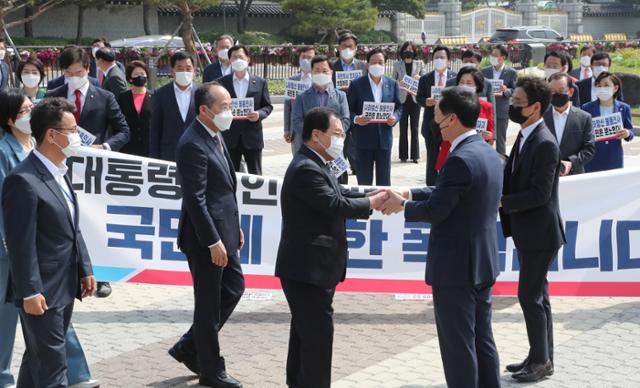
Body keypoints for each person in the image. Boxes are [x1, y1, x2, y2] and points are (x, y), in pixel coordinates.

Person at [378, 86, 503, 388]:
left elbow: (437, 209)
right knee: (481, 338)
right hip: (482, 261)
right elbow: (453, 193)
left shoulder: (460, 158)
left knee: (458, 344)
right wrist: (410, 191)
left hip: (456, 267)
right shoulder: (487, 151)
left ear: (452, 119)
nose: (434, 123)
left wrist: (403, 205)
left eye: (437, 116)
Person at [275, 107, 387, 388]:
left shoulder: (318, 163)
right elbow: (335, 205)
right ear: (316, 135)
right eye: (337, 134)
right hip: (306, 270)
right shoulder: (305, 169)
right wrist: (374, 203)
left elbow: (340, 192)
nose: (341, 139)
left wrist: (374, 193)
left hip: (314, 268)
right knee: (317, 338)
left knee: (305, 333)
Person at [0, 90, 100, 388]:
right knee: (53, 366)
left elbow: (72, 225)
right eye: (72, 131)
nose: (77, 137)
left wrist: (85, 267)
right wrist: (29, 291)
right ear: (52, 135)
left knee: (37, 360)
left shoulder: (60, 171)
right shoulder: (23, 180)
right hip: (41, 290)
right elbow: (20, 243)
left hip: (64, 284)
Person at [170, 82, 244, 388]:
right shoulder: (192, 143)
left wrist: (233, 225)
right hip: (205, 239)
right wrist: (213, 240)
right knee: (209, 304)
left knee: (234, 288)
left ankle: (190, 345)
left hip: (224, 230)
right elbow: (196, 199)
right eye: (223, 107)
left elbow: (223, 187)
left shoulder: (214, 135)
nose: (228, 112)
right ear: (204, 110)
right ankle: (211, 371)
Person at [500, 77, 566, 383]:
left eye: (517, 103)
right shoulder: (525, 135)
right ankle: (540, 355)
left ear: (535, 107)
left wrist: (501, 202)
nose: (512, 106)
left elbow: (539, 195)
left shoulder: (544, 142)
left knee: (529, 296)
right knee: (539, 295)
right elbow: (515, 173)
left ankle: (541, 362)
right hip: (529, 231)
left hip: (541, 233)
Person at [46, 46, 130, 153]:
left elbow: (124, 131)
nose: (74, 77)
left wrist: (103, 147)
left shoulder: (105, 98)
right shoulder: (52, 96)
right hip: (60, 158)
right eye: (69, 73)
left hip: (93, 159)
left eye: (79, 73)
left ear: (88, 69)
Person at [347, 47, 402, 186]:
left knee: (384, 183)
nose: (377, 65)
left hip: (384, 139)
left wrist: (395, 118)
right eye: (373, 62)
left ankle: (383, 208)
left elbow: (399, 107)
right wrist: (356, 119)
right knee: (364, 182)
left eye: (380, 62)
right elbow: (348, 109)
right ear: (367, 64)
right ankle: (365, 208)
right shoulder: (356, 84)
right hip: (363, 140)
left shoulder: (392, 84)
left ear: (385, 64)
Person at [219, 45, 273, 175]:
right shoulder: (222, 83)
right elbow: (216, 106)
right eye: (234, 57)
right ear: (230, 60)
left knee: (256, 175)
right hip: (230, 136)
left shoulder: (260, 82)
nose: (238, 60)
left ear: (248, 59)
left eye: (241, 57)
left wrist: (259, 114)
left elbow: (268, 106)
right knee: (231, 175)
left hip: (252, 137)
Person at [290, 56, 350, 160]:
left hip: (334, 147)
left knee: (335, 176)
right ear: (311, 72)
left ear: (331, 72)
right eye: (317, 71)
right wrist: (312, 136)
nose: (321, 74)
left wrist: (333, 134)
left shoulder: (340, 96)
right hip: (310, 147)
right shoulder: (302, 97)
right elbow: (296, 121)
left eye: (324, 71)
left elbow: (346, 120)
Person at [436, 67, 495, 174]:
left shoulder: (486, 107)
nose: (465, 86)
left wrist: (489, 136)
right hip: (449, 154)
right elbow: (438, 128)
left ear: (477, 86)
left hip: (475, 156)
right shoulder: (448, 106)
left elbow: (491, 133)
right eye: (462, 82)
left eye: (469, 83)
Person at [416, 45, 457, 185]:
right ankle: (430, 188)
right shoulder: (425, 79)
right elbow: (418, 97)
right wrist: (425, 101)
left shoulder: (455, 78)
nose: (439, 60)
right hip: (431, 124)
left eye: (442, 57)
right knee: (432, 158)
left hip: (451, 125)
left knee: (450, 157)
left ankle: (447, 185)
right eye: (436, 57)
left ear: (448, 60)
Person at [543, 72, 595, 175]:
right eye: (552, 91)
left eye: (561, 90)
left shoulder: (584, 118)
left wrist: (571, 162)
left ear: (571, 92)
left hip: (573, 175)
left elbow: (589, 148)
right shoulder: (539, 116)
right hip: (544, 174)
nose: (556, 94)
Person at [149, 51, 197, 161]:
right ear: (172, 71)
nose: (184, 72)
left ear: (194, 71)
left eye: (188, 68)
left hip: (197, 152)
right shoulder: (161, 94)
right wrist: (154, 159)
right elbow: (155, 129)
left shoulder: (203, 92)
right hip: (169, 154)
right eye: (180, 68)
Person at [582, 72, 634, 173]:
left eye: (606, 85)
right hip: (592, 157)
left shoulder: (624, 108)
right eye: (599, 86)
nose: (602, 88)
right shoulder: (586, 107)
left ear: (615, 88)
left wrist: (627, 133)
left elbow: (630, 130)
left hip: (614, 157)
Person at [332, 32, 367, 172]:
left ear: (356, 48)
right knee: (338, 147)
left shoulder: (362, 66)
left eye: (350, 46)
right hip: (337, 112)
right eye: (344, 46)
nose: (347, 49)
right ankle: (341, 179)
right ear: (339, 48)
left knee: (356, 148)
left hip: (357, 111)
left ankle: (358, 170)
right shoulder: (332, 66)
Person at [481, 44, 518, 156]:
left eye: (495, 55)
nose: (493, 57)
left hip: (501, 110)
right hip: (486, 110)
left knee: (500, 141)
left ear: (503, 57)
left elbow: (515, 90)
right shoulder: (484, 71)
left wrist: (506, 91)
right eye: (491, 55)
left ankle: (501, 166)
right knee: (485, 139)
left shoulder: (511, 72)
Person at [392, 41, 425, 163]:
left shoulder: (420, 64)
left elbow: (425, 79)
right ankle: (403, 155)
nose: (409, 51)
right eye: (406, 49)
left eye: (411, 49)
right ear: (402, 51)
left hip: (415, 99)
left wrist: (420, 78)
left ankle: (415, 155)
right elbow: (392, 80)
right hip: (402, 99)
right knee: (403, 128)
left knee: (415, 128)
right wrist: (398, 83)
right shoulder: (397, 65)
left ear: (414, 51)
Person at [117, 60, 153, 157]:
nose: (139, 76)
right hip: (128, 146)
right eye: (136, 74)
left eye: (142, 73)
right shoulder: (123, 97)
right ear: (130, 78)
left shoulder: (155, 97)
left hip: (149, 146)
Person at [284, 46, 315, 151]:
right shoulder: (292, 80)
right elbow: (288, 106)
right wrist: (286, 129)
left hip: (316, 128)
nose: (306, 60)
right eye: (303, 57)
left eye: (309, 57)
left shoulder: (320, 80)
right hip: (296, 130)